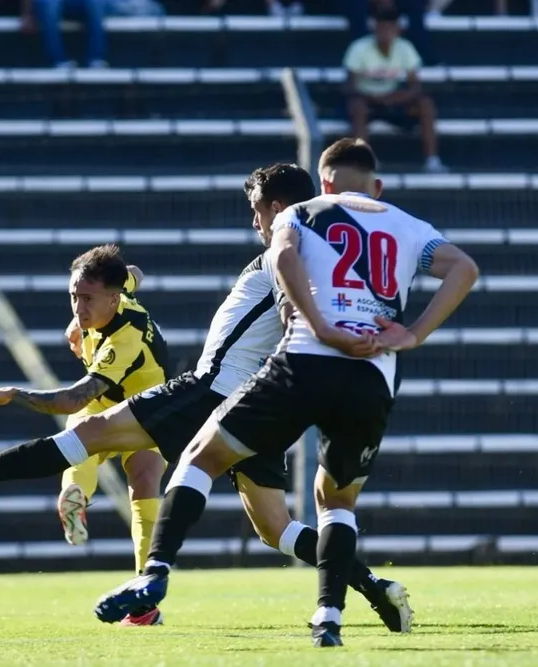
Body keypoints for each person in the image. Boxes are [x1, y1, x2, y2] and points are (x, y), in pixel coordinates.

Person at [0, 162, 413, 634]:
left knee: (90, 433)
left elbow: (291, 310)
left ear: (279, 207)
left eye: (257, 211)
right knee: (277, 530)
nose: (255, 221)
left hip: (212, 390)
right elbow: (130, 275)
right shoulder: (312, 251)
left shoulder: (286, 246)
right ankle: (374, 585)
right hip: (249, 402)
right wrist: (92, 310)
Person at [92, 139, 479, 647]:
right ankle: (329, 620)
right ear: (377, 187)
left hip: (306, 361)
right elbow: (464, 269)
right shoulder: (407, 225)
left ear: (324, 184)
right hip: (373, 373)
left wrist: (321, 323)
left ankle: (155, 570)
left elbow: (285, 258)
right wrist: (414, 333)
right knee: (336, 501)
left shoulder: (303, 212)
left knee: (202, 455)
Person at [0, 244, 169, 625]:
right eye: (74, 296)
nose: (78, 306)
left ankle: (79, 498)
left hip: (149, 408)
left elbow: (72, 399)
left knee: (109, 452)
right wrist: (82, 320)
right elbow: (135, 272)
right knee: (130, 472)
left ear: (112, 298)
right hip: (115, 401)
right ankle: (142, 602)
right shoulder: (115, 291)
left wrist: (16, 394)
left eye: (87, 299)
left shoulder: (125, 338)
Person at [343, 8, 447, 173]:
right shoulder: (359, 48)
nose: (385, 33)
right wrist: (373, 97)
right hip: (368, 101)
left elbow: (415, 85)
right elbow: (349, 85)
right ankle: (365, 162)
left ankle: (432, 159)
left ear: (397, 30)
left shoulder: (405, 47)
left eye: (390, 28)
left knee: (425, 104)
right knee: (357, 106)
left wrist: (398, 97)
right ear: (375, 29)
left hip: (395, 100)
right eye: (382, 28)